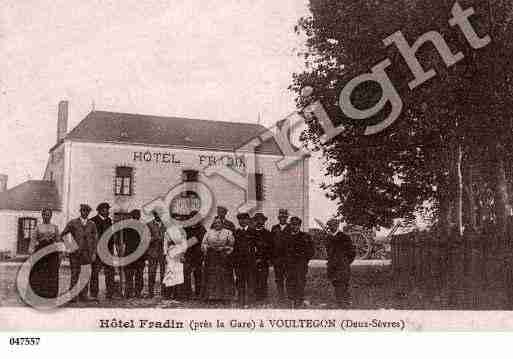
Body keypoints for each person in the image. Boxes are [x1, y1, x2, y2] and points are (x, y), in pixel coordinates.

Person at [61, 204, 98, 302]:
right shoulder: (73, 223)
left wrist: (94, 253)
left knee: (85, 275)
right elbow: (64, 234)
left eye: (87, 211)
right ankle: (72, 296)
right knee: (74, 275)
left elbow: (95, 240)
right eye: (83, 211)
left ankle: (83, 296)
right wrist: (71, 247)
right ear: (80, 211)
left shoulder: (92, 224)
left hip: (87, 254)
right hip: (75, 254)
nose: (85, 213)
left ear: (89, 213)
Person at [28, 208, 61, 299]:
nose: (46, 216)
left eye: (48, 214)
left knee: (51, 272)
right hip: (41, 251)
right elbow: (33, 241)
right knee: (40, 272)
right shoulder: (38, 227)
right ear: (42, 215)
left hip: (52, 253)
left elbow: (58, 241)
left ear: (51, 216)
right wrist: (31, 253)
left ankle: (50, 294)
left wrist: (60, 254)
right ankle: (39, 293)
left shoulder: (55, 227)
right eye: (45, 214)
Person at [201, 216, 235, 302]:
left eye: (219, 223)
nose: (217, 224)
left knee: (224, 276)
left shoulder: (228, 232)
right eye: (215, 223)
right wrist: (208, 248)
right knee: (212, 276)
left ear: (222, 224)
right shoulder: (208, 233)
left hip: (223, 257)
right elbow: (203, 244)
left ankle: (225, 297)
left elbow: (231, 245)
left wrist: (224, 249)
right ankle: (212, 297)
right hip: (211, 257)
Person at [326, 219, 356, 308]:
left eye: (333, 225)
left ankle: (343, 302)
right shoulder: (328, 238)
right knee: (336, 283)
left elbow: (352, 253)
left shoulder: (344, 237)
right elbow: (328, 252)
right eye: (330, 226)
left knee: (343, 283)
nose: (331, 227)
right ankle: (341, 301)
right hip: (332, 266)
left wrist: (345, 262)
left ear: (337, 226)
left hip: (342, 265)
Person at [285, 216, 314, 308]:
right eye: (292, 225)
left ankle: (299, 300)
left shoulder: (305, 236)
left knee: (300, 282)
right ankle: (291, 299)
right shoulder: (286, 237)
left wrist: (304, 260)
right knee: (290, 281)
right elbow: (282, 250)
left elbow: (311, 251)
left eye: (296, 225)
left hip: (300, 265)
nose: (294, 227)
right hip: (289, 264)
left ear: (299, 226)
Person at [89, 202, 115, 300]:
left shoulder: (109, 221)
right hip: (97, 251)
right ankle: (94, 294)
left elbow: (112, 236)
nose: (107, 211)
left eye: (108, 209)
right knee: (95, 272)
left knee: (110, 272)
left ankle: (110, 293)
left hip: (108, 252)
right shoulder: (93, 221)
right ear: (99, 210)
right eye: (105, 209)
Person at [232, 212, 257, 306]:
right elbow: (233, 248)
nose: (242, 221)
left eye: (244, 219)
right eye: (240, 219)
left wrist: (255, 259)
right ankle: (241, 299)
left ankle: (250, 300)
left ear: (248, 220)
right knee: (240, 281)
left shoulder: (253, 232)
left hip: (250, 261)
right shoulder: (236, 232)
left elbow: (257, 247)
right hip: (239, 262)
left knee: (250, 281)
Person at [182, 212, 206, 299]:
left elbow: (201, 240)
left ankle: (198, 293)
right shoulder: (185, 229)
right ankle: (187, 293)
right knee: (186, 274)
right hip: (188, 255)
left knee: (198, 274)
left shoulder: (202, 229)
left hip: (198, 255)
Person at [123, 209, 145, 299]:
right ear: (132, 216)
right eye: (135, 215)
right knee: (129, 274)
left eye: (138, 215)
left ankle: (138, 292)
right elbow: (123, 240)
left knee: (139, 274)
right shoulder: (127, 227)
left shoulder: (143, 227)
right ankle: (128, 292)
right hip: (129, 254)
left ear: (139, 216)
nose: (137, 217)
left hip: (140, 255)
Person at [252, 213, 273, 302]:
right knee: (254, 277)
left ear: (264, 221)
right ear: (254, 221)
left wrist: (267, 259)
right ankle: (255, 295)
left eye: (261, 220)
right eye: (257, 220)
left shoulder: (267, 233)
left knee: (263, 278)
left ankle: (263, 296)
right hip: (253, 259)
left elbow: (271, 247)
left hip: (264, 260)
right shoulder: (251, 232)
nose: (259, 222)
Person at [145, 210, 166, 298]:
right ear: (154, 215)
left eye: (160, 213)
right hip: (152, 252)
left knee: (163, 273)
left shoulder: (166, 225)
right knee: (151, 272)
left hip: (163, 252)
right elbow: (146, 239)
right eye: (157, 214)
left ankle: (164, 292)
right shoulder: (149, 224)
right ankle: (150, 292)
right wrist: (155, 238)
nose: (159, 215)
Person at [271, 208, 290, 300]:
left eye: (285, 216)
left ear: (287, 217)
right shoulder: (274, 228)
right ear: (278, 217)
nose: (283, 218)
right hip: (277, 258)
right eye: (281, 216)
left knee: (289, 277)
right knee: (279, 278)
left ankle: (290, 295)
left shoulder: (290, 227)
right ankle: (280, 296)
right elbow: (271, 243)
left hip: (287, 258)